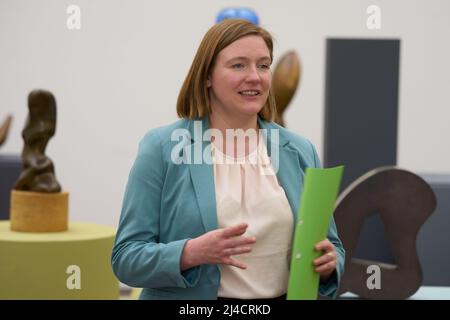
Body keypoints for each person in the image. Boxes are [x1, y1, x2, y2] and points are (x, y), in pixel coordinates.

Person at [111, 19, 345, 300]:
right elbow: (126, 258)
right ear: (207, 76)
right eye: (238, 65)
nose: (255, 77)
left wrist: (330, 264)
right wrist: (190, 253)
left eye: (263, 65)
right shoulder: (162, 147)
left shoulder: (299, 149)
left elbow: (331, 245)